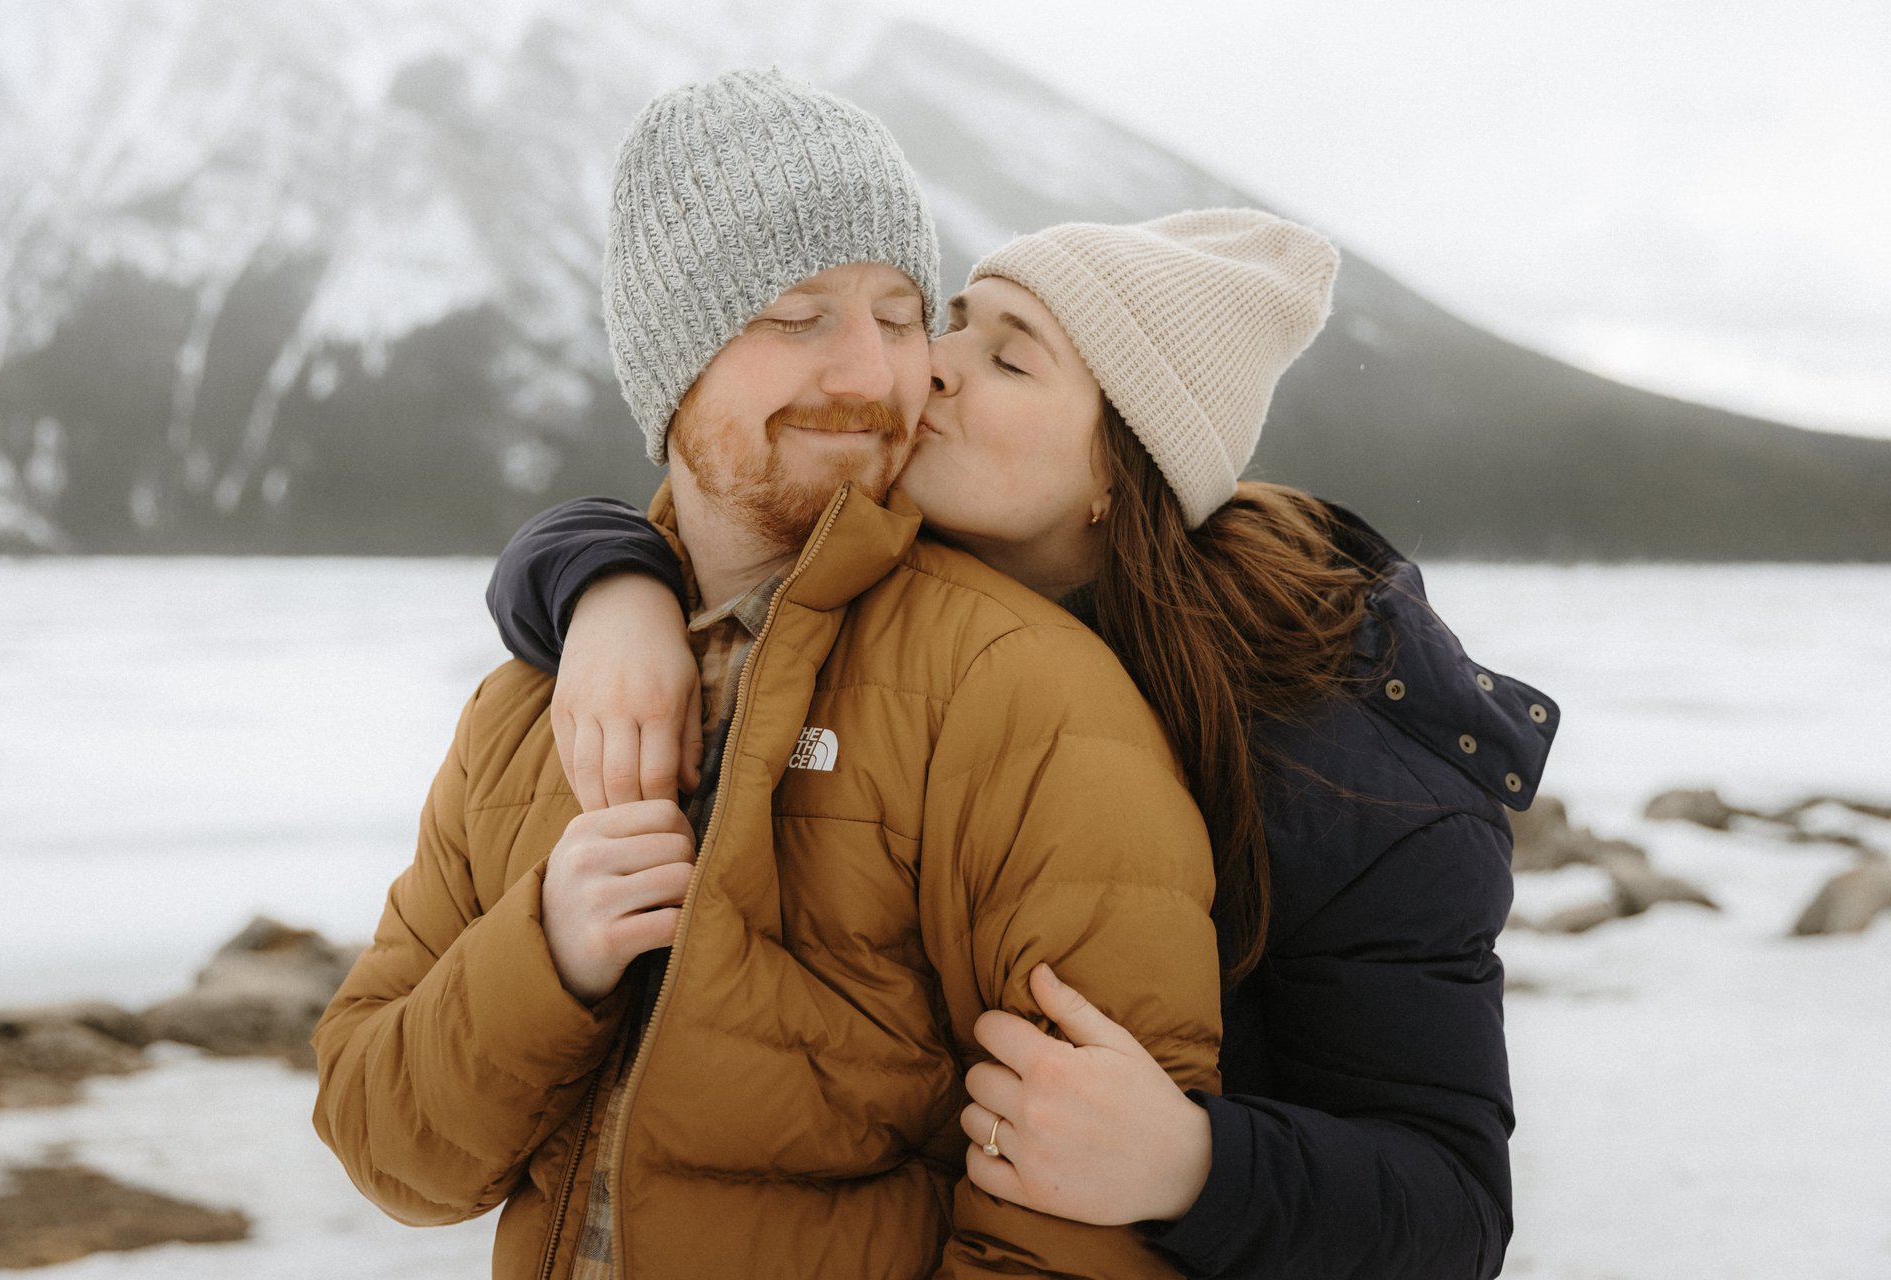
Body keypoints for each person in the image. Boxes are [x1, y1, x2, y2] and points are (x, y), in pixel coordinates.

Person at [486, 209, 1560, 1278]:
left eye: (1007, 357)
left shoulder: (1347, 764)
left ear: (1121, 469)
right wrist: (606, 586)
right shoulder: (889, 584)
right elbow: (710, 516)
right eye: (951, 323)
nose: (927, 366)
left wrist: (1196, 1164)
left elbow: (1453, 1208)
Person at [311, 69, 1224, 1280]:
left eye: (902, 317)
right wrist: (545, 953)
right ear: (672, 363)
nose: (870, 373)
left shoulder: (1018, 690)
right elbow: (388, 1147)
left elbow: (1088, 1220)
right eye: (798, 315)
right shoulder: (528, 706)